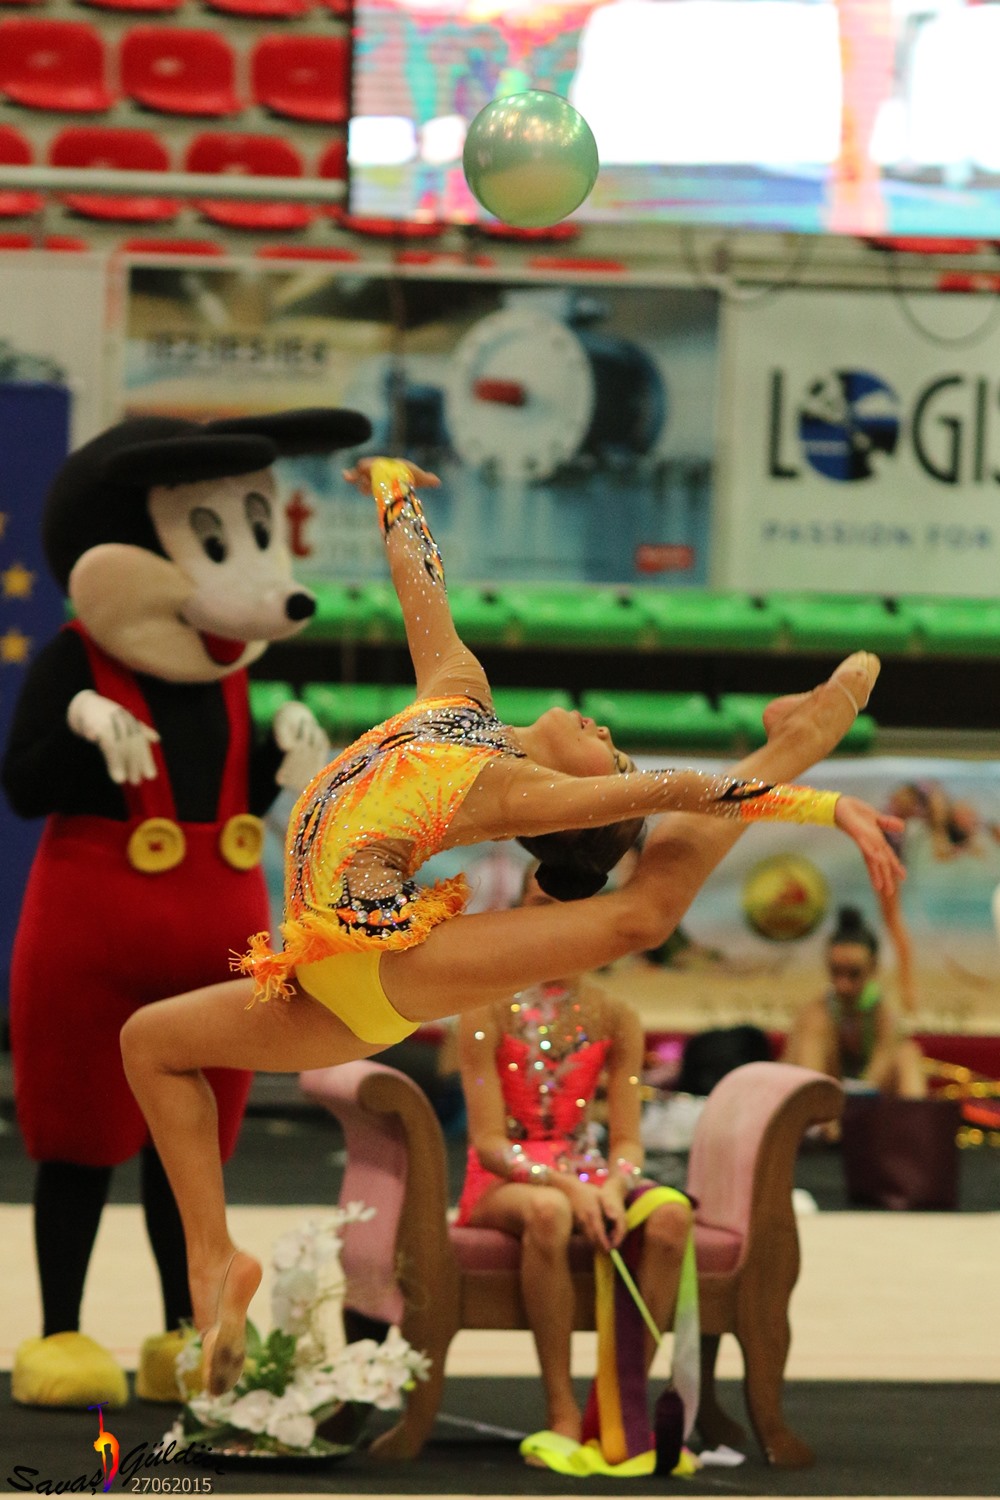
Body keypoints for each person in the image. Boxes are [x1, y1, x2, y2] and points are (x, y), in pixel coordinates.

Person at [120, 457, 904, 1399]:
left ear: (578, 804)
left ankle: (803, 735)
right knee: (149, 1043)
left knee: (644, 914)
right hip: (320, 984)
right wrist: (392, 488)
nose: (603, 731)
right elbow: (422, 586)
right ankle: (213, 1261)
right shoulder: (457, 691)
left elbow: (685, 788)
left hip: (391, 958)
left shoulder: (529, 791)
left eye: (611, 753)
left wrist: (826, 807)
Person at [456, 865, 692, 1464]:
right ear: (520, 913)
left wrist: (614, 1185)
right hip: (506, 1177)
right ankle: (560, 1409)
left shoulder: (616, 1016)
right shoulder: (484, 1011)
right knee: (549, 1212)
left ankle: (617, 1409)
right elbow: (488, 1144)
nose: (558, 919)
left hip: (586, 1170)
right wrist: (567, 1184)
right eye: (542, 904)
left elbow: (628, 1141)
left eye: (571, 906)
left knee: (670, 1218)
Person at [783, 904, 927, 1117]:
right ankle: (818, 1124)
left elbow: (875, 1078)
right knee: (814, 1033)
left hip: (866, 1109)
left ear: (873, 967)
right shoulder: (815, 1015)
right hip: (819, 1110)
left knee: (908, 1054)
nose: (843, 985)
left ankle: (915, 1127)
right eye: (836, 972)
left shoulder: (883, 1016)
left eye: (854, 974)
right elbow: (806, 1077)